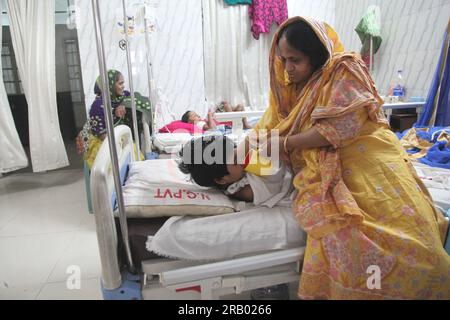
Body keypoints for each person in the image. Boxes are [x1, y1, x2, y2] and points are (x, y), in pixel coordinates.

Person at [243, 17, 450, 299]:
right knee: (340, 235)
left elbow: (340, 128)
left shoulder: (343, 69)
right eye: (283, 59)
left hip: (366, 152)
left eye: (295, 60)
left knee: (415, 244)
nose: (288, 68)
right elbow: (271, 125)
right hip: (320, 159)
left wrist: (286, 142)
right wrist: (250, 143)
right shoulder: (290, 90)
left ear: (316, 56)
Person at [178, 135, 293, 207]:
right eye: (235, 160)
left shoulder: (236, 172)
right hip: (291, 182)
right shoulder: (244, 191)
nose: (241, 157)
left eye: (237, 150)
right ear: (221, 180)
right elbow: (275, 186)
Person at [76, 70, 150, 168]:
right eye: (120, 83)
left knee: (132, 156)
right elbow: (103, 135)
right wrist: (121, 146)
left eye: (123, 83)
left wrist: (123, 104)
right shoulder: (98, 106)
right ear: (109, 85)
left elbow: (137, 96)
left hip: (117, 136)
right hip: (104, 141)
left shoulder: (120, 97)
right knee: (113, 166)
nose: (123, 86)